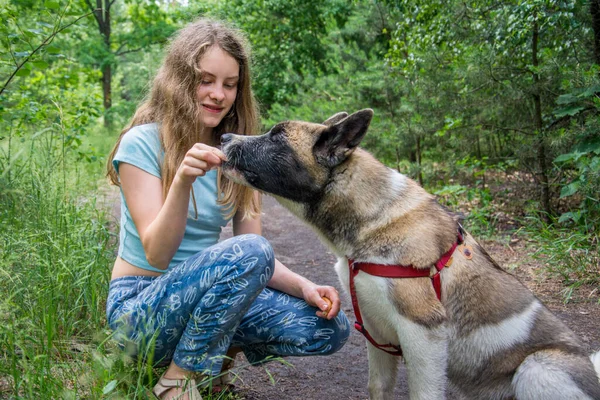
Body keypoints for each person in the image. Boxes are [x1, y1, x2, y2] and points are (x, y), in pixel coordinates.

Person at [105, 18, 350, 400]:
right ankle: (178, 380)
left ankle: (210, 361)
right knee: (252, 252)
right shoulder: (142, 143)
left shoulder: (237, 155)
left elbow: (254, 257)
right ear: (180, 80)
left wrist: (305, 287)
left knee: (328, 329)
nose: (218, 94)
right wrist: (183, 181)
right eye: (206, 80)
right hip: (139, 310)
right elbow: (156, 253)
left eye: (229, 84)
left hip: (207, 303)